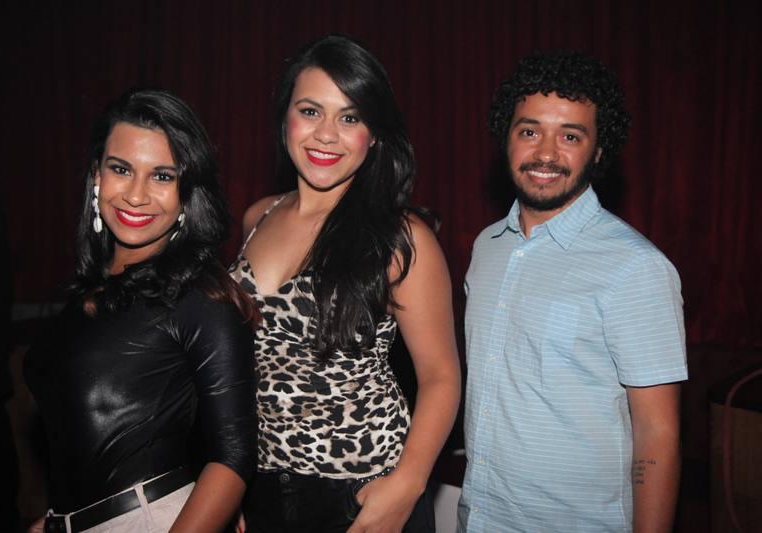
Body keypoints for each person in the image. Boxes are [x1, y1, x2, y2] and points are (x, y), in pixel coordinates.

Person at [230, 34, 461, 533]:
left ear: (374, 134)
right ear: (285, 118)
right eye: (311, 111)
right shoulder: (256, 217)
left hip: (362, 492)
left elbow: (441, 376)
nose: (326, 135)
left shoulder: (400, 238)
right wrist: (233, 480)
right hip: (262, 488)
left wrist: (408, 484)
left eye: (350, 117)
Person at [459, 50, 688, 532]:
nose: (546, 154)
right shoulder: (486, 248)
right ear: (506, 138)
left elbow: (657, 433)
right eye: (529, 131)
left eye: (570, 136)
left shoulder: (636, 267)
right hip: (480, 518)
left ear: (598, 151)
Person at [24, 88, 257, 533]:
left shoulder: (201, 298)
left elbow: (234, 455)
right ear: (96, 175)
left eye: (162, 176)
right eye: (121, 169)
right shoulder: (88, 291)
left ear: (187, 193)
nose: (136, 195)